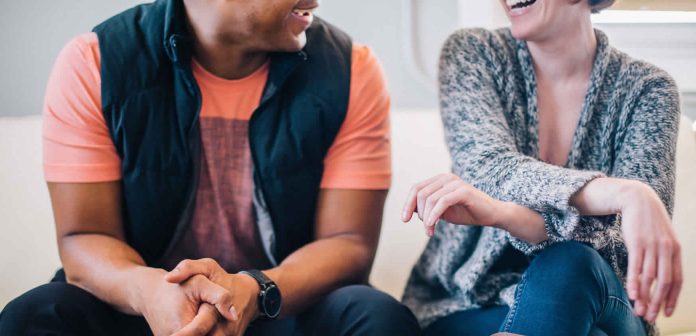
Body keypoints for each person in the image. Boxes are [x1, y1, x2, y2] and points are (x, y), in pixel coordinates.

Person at [0, 0, 421, 335]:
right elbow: (84, 236)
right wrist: (151, 293)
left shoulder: (351, 69)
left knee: (377, 317)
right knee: (33, 316)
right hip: (138, 307)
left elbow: (348, 242)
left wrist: (255, 291)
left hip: (281, 305)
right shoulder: (95, 62)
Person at [401, 0, 682, 335]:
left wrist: (505, 215)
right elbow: (487, 166)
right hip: (470, 307)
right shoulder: (473, 54)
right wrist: (622, 193)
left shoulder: (649, 91)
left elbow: (626, 254)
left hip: (602, 302)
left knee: (571, 265)